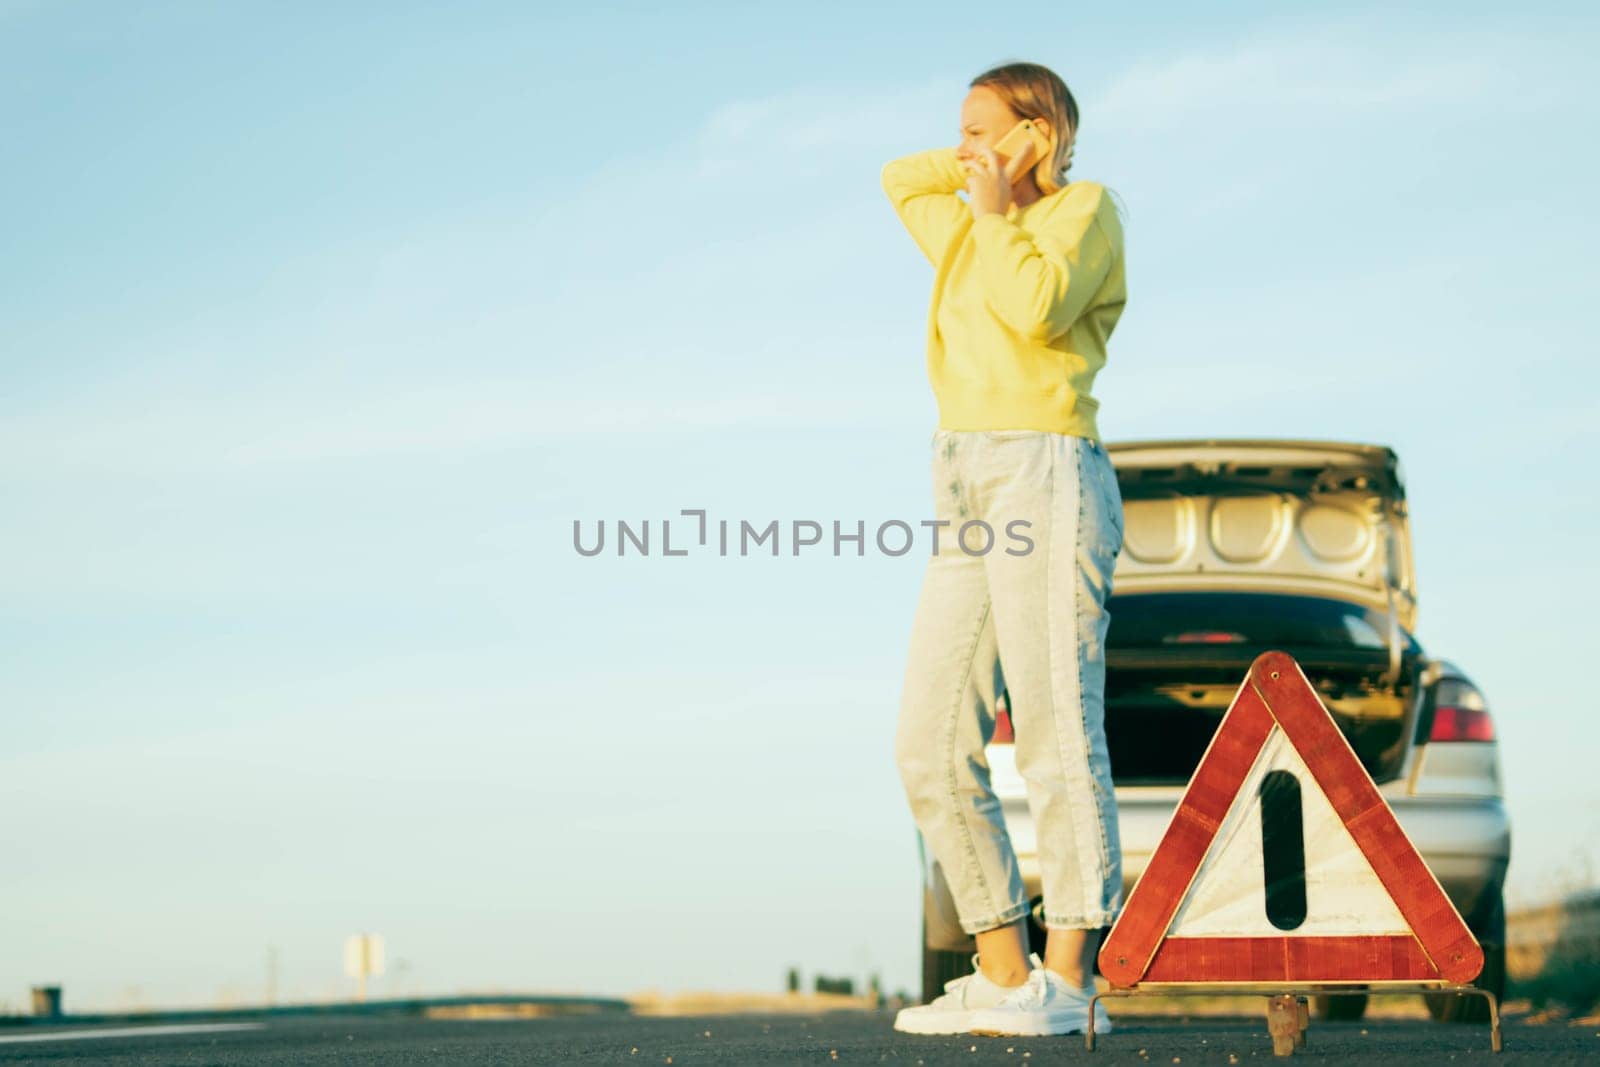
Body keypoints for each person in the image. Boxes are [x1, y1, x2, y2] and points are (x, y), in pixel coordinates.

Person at [883, 60, 1128, 1038]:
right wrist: (972, 166)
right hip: (961, 474)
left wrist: (1000, 201)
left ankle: (1068, 982)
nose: (964, 145)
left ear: (1039, 132)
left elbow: (1035, 309)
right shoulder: (962, 218)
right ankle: (1004, 972)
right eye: (962, 129)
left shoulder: (1083, 214)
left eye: (984, 127)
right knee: (929, 742)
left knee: (1055, 729)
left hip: (1046, 467)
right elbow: (901, 179)